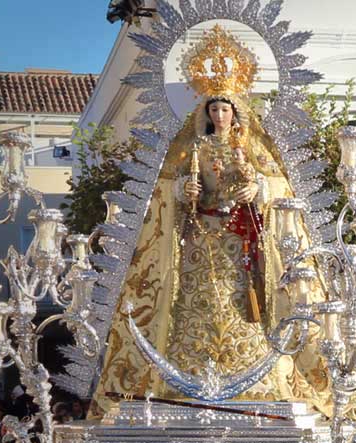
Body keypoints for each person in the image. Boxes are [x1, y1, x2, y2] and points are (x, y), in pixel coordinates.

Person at [92, 26, 337, 416]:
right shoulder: (192, 148)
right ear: (205, 112)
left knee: (247, 304)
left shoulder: (252, 148)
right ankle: (185, 370)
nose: (219, 115)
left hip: (240, 241)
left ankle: (259, 375)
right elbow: (166, 191)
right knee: (195, 300)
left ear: (236, 111)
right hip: (202, 239)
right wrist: (181, 194)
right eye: (213, 109)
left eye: (225, 109)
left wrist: (256, 187)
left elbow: (278, 185)